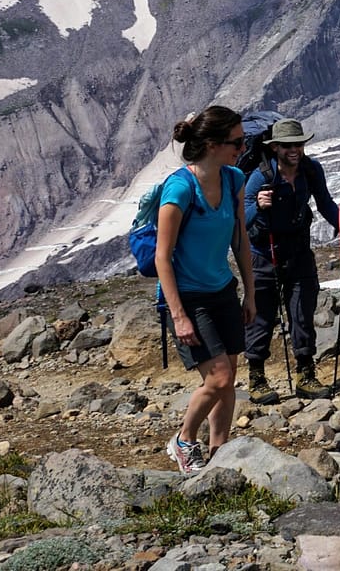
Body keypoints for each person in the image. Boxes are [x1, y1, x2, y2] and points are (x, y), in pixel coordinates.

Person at [153, 105, 256, 474]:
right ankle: (184, 439)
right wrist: (178, 315)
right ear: (212, 144)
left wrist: (250, 291)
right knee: (219, 377)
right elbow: (163, 257)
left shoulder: (232, 180)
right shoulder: (180, 188)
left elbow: (240, 239)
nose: (242, 148)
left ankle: (219, 452)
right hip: (189, 297)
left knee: (229, 371)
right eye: (237, 142)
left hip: (222, 289)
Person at [242, 118, 339, 403]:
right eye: (287, 145)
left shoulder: (311, 170)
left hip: (298, 252)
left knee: (302, 312)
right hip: (263, 255)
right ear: (275, 148)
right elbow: (242, 219)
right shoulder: (260, 177)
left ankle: (306, 375)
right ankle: (256, 378)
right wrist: (258, 206)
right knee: (261, 316)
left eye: (298, 143)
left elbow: (325, 204)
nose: (294, 149)